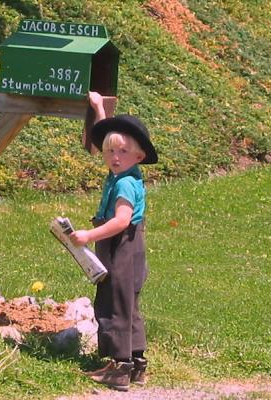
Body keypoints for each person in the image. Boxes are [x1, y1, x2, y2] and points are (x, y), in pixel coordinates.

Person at [69, 92, 158, 391]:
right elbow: (106, 135)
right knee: (128, 303)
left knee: (114, 304)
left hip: (123, 245)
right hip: (128, 247)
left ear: (139, 156)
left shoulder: (126, 184)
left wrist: (88, 236)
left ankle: (119, 368)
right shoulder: (123, 173)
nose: (114, 157)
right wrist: (97, 108)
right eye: (109, 152)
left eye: (121, 152)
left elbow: (121, 220)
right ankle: (136, 363)